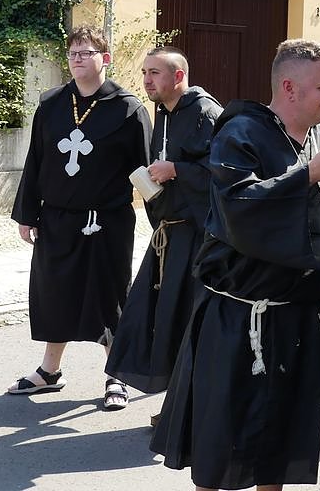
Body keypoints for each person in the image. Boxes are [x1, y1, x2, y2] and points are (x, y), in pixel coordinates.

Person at [150, 39, 320, 491]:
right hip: (238, 316)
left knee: (281, 441)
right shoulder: (240, 133)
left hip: (299, 315)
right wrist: (305, 175)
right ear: (289, 88)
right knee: (220, 444)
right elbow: (236, 208)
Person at [8, 25, 151, 410]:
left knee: (109, 299)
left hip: (107, 222)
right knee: (55, 295)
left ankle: (116, 375)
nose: (77, 58)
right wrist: (27, 212)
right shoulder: (53, 103)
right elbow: (36, 158)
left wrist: (164, 223)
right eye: (73, 52)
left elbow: (146, 171)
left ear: (105, 59)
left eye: (86, 52)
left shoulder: (127, 108)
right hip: (57, 219)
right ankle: (49, 372)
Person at [105, 47, 222, 421]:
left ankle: (189, 414)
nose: (147, 80)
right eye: (144, 72)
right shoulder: (165, 112)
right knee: (156, 320)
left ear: (178, 76)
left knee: (191, 326)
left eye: (155, 72)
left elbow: (225, 172)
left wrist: (178, 171)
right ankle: (177, 409)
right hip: (167, 238)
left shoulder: (205, 113)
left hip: (197, 239)